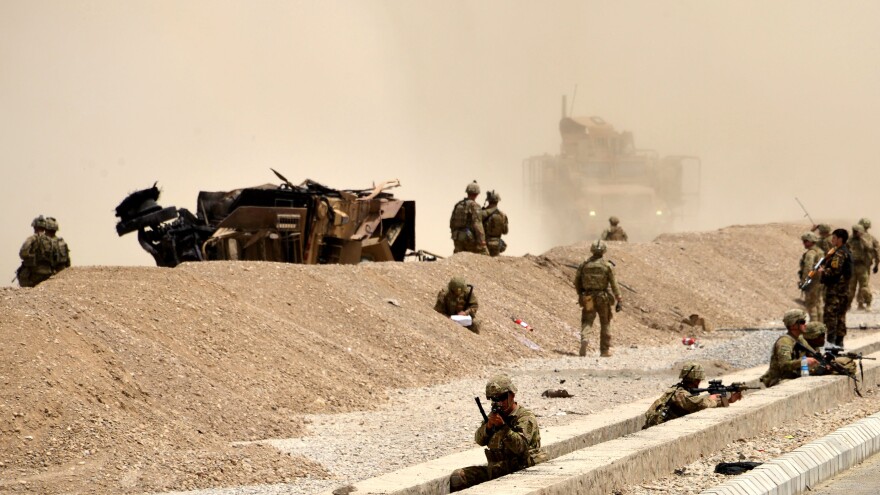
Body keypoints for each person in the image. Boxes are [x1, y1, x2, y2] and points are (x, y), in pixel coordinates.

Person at [449, 374, 546, 492]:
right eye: (494, 399)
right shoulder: (495, 416)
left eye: (502, 397)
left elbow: (521, 447)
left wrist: (503, 428)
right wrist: (488, 427)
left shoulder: (525, 417)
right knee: (458, 477)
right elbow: (479, 440)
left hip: (521, 471)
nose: (499, 402)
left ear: (512, 395)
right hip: (497, 470)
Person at [643, 362, 742, 428]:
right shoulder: (680, 394)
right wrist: (713, 399)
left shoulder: (678, 390)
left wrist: (729, 400)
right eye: (698, 380)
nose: (699, 382)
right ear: (695, 380)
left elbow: (697, 401)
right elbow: (701, 404)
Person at [574, 240, 622, 357]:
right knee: (605, 323)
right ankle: (604, 350)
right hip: (602, 298)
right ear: (604, 251)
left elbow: (577, 281)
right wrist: (619, 297)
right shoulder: (607, 266)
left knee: (587, 320)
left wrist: (581, 293)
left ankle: (585, 339)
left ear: (592, 250)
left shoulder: (584, 265)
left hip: (588, 298)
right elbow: (614, 284)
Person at [760, 309, 820, 387]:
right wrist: (803, 361)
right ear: (793, 325)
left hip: (794, 376)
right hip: (780, 380)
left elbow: (813, 354)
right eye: (802, 322)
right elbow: (785, 365)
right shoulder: (784, 342)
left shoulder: (800, 339)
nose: (805, 324)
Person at [820, 228, 853, 347]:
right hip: (843, 291)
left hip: (835, 291)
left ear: (840, 239)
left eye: (834, 237)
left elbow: (835, 271)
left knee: (831, 316)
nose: (832, 240)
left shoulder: (839, 253)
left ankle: (831, 343)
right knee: (840, 316)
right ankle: (839, 343)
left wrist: (823, 271)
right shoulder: (847, 251)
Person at [449, 181, 489, 255]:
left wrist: (455, 234)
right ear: (477, 194)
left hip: (457, 238)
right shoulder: (475, 206)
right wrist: (482, 242)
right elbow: (478, 224)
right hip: (469, 240)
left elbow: (452, 223)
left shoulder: (458, 204)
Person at [17, 215, 55, 287]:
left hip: (33, 272)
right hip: (48, 273)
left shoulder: (31, 238)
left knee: (21, 274)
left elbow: (23, 253)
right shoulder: (50, 241)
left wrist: (30, 257)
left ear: (35, 227)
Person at [847, 224, 875, 311]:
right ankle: (848, 305)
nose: (855, 233)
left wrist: (861, 238)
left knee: (864, 287)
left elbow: (869, 247)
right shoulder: (850, 240)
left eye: (857, 231)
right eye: (855, 231)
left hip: (862, 266)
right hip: (852, 265)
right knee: (850, 287)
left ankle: (868, 303)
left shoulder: (865, 239)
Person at [799, 231, 824, 321]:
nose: (804, 243)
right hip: (820, 281)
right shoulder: (820, 251)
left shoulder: (811, 253)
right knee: (818, 303)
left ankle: (814, 324)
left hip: (813, 282)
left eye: (805, 241)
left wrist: (804, 282)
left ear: (811, 241)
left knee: (811, 304)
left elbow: (808, 268)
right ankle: (820, 324)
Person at [481, 190, 508, 257]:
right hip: (497, 244)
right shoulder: (503, 215)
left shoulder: (483, 214)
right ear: (497, 201)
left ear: (488, 201)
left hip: (484, 244)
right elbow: (505, 231)